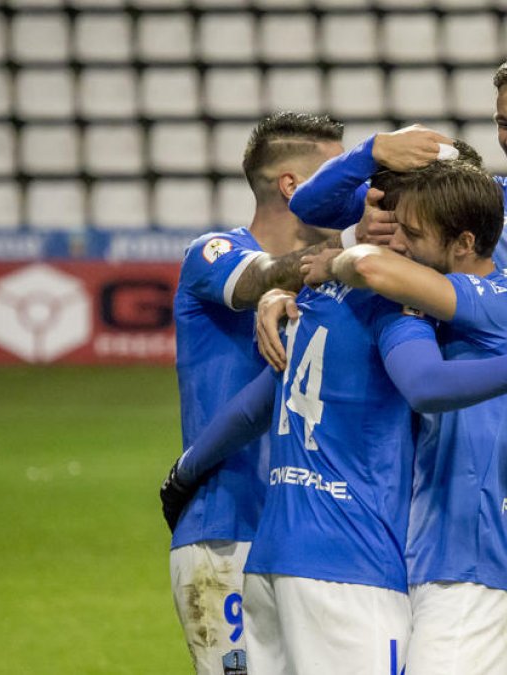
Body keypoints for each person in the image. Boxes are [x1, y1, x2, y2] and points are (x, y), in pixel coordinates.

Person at [299, 158, 507, 674]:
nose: (401, 244)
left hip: (473, 565)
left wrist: (336, 260)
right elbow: (420, 382)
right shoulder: (426, 311)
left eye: (413, 233)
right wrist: (280, 295)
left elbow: (372, 267)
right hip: (424, 559)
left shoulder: (506, 301)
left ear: (463, 244)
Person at [165, 111, 347, 675]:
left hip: (319, 530)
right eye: (340, 174)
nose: (354, 190)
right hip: (229, 524)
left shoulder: (342, 280)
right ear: (294, 186)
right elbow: (258, 279)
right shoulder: (213, 252)